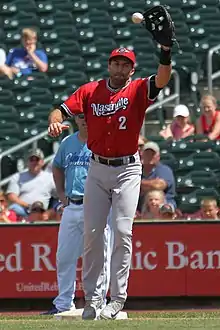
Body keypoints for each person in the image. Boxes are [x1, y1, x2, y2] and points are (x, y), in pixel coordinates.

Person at [48, 44, 171, 320]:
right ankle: (92, 299)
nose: (119, 68)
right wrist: (54, 121)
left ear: (132, 69)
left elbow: (162, 79)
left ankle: (117, 299)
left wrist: (165, 53)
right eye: (115, 63)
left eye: (125, 64)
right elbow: (61, 110)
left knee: (122, 232)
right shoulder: (91, 90)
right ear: (109, 65)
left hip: (128, 168)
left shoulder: (138, 88)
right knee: (92, 234)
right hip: (98, 166)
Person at [43, 114, 113, 317]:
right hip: (72, 205)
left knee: (100, 258)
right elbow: (56, 166)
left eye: (87, 116)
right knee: (64, 257)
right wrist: (61, 193)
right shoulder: (68, 142)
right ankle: (64, 303)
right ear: (75, 120)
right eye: (80, 117)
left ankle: (98, 302)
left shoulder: (103, 140)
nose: (84, 120)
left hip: (96, 206)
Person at [6, 149, 56, 218]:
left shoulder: (50, 177)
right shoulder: (18, 177)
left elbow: (60, 196)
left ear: (42, 162)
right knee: (13, 208)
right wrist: (28, 206)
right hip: (23, 210)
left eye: (37, 160)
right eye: (32, 160)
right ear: (27, 162)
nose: (34, 162)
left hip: (43, 212)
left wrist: (49, 212)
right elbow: (11, 196)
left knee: (61, 207)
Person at [140, 141, 176, 208]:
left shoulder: (164, 170)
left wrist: (139, 184)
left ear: (158, 156)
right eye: (147, 153)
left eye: (152, 154)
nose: (150, 156)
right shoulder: (138, 170)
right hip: (143, 208)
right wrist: (152, 184)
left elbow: (159, 185)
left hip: (164, 206)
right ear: (142, 155)